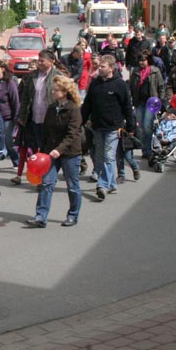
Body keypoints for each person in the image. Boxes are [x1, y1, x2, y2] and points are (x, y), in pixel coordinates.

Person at [24, 75, 83, 228]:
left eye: (55, 90)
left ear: (65, 91)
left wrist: (59, 150)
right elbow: (46, 131)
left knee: (72, 186)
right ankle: (40, 216)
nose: (52, 92)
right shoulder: (51, 108)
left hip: (70, 153)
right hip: (51, 153)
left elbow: (72, 134)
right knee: (46, 183)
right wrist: (42, 151)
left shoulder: (73, 109)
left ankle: (73, 215)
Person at [81, 55, 135, 201]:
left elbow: (127, 107)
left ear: (111, 68)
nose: (99, 68)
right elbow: (87, 105)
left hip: (113, 128)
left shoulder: (120, 84)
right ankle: (112, 184)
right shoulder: (95, 84)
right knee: (100, 155)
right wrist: (80, 121)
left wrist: (130, 126)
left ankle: (102, 185)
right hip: (98, 126)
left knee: (108, 157)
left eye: (102, 66)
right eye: (99, 66)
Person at [13, 50, 60, 185]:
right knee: (37, 148)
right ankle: (41, 177)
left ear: (51, 61)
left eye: (42, 61)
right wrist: (22, 116)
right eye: (39, 60)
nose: (39, 63)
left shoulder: (58, 77)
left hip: (50, 120)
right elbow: (25, 98)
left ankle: (47, 177)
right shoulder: (31, 76)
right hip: (34, 118)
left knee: (48, 149)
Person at [129, 51, 164, 158]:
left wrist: (161, 100)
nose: (141, 62)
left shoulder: (155, 71)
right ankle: (144, 149)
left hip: (152, 103)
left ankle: (148, 149)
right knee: (140, 128)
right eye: (140, 60)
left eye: (143, 60)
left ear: (148, 60)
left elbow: (161, 87)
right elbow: (131, 87)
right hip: (139, 102)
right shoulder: (135, 72)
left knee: (147, 126)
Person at [0, 60, 20, 168]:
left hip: (7, 117)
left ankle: (17, 162)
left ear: (3, 69)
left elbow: (15, 101)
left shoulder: (9, 83)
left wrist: (16, 117)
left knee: (8, 141)